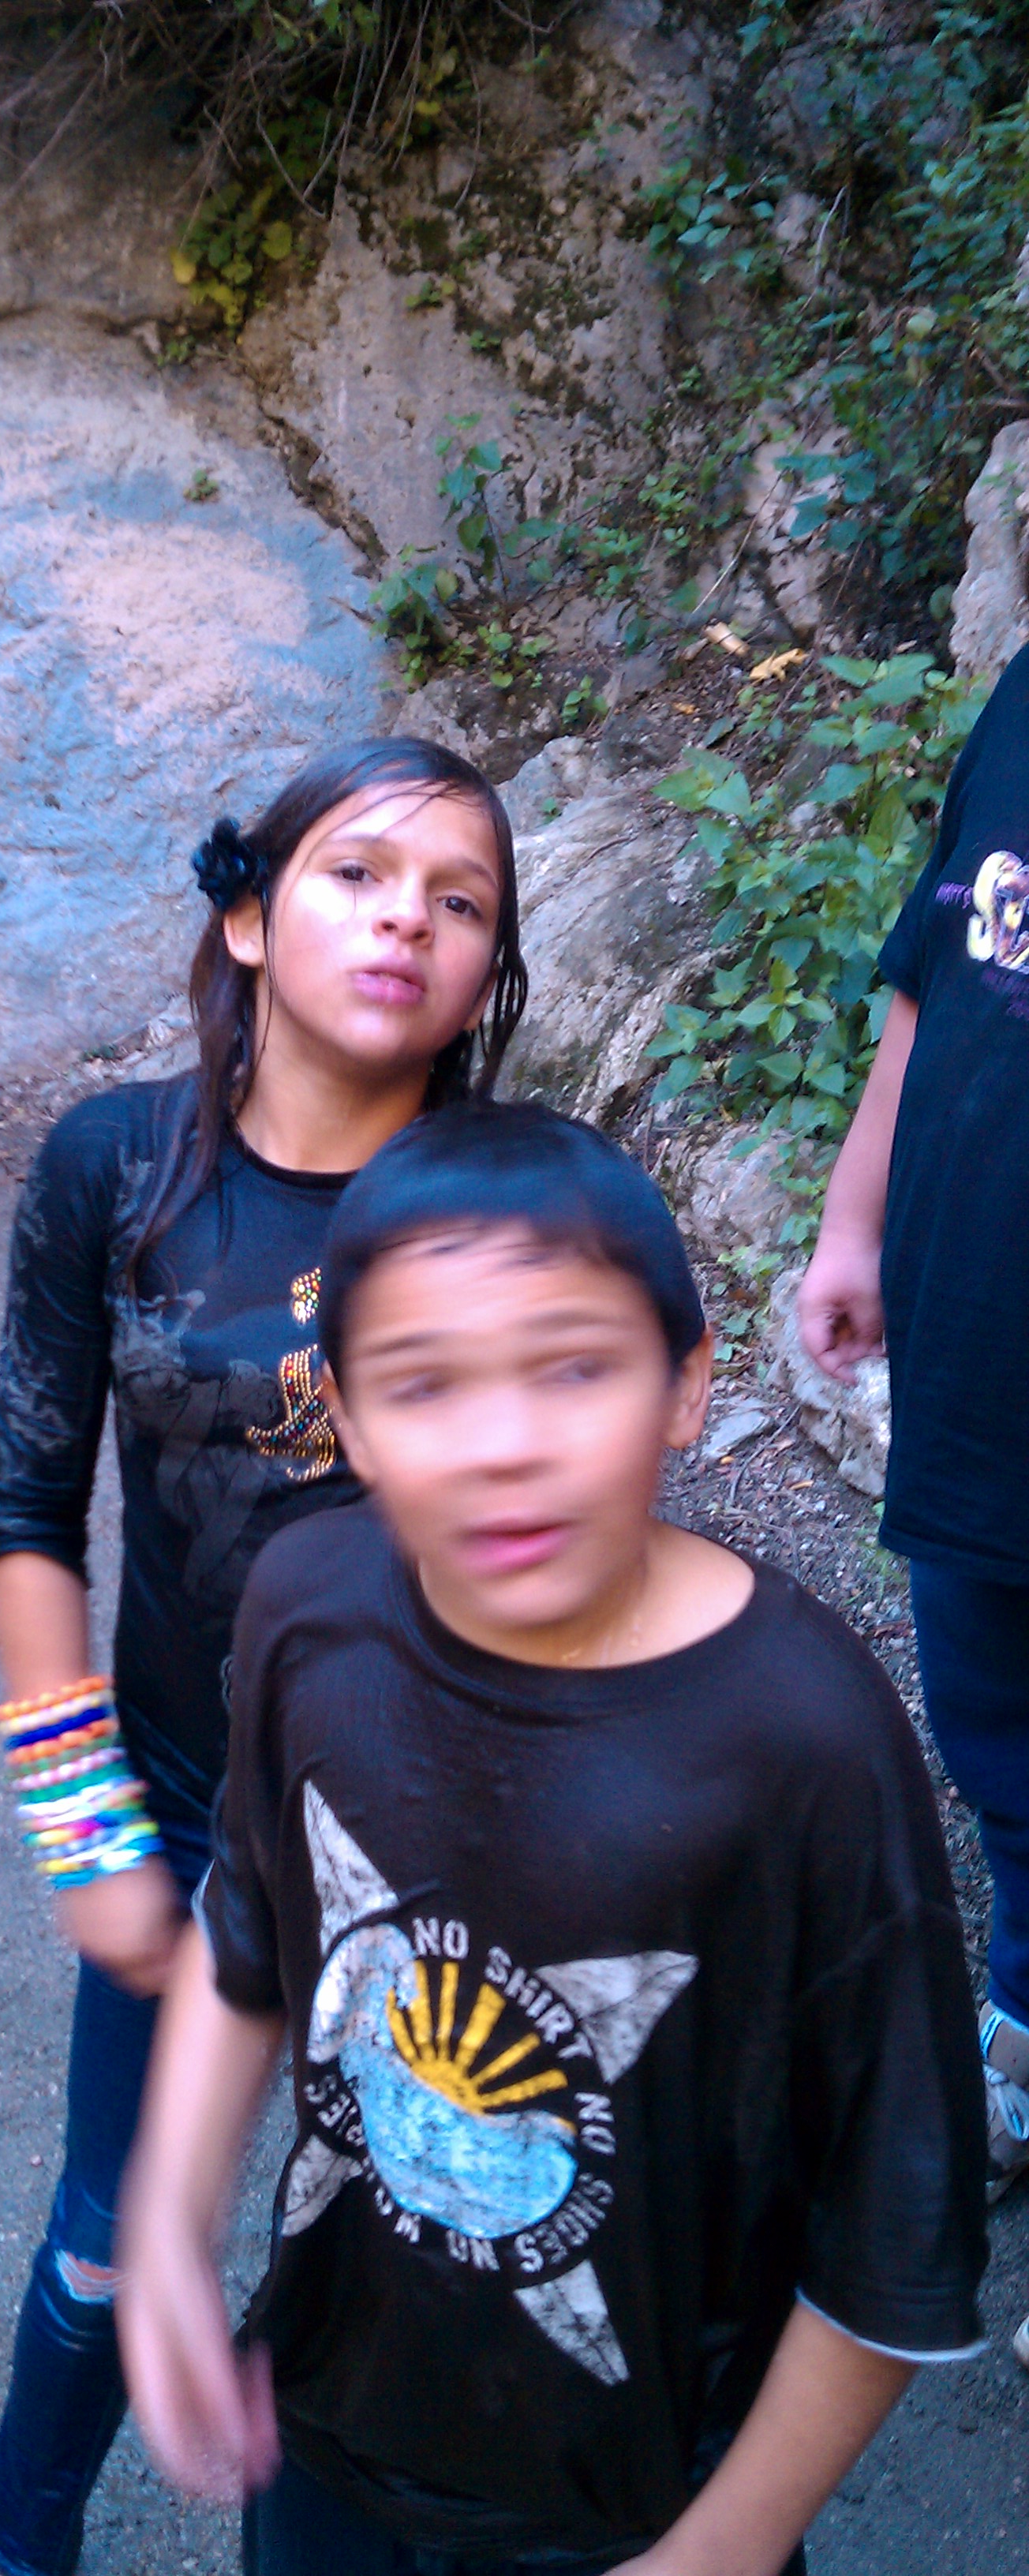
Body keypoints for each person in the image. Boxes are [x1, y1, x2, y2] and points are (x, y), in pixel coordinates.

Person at [118, 1101, 986, 2576]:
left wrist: (724, 2549)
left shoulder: (807, 1741)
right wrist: (163, 2224)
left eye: (575, 1367)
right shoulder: (306, 1611)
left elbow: (895, 2229)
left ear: (687, 1384)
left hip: (641, 2509)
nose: (505, 1448)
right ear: (346, 1417)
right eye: (423, 1385)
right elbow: (248, 1939)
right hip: (328, 2428)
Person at [0, 737, 528, 2575]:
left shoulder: (511, 1206)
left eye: (459, 901)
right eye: (358, 874)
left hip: (435, 1823)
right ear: (247, 917)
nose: (407, 920)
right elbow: (28, 1515)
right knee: (104, 2243)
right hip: (176, 1792)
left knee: (413, 2256)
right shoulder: (114, 1167)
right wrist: (84, 1834)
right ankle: (24, 2544)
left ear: (488, 971)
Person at [797, 645, 1029, 2264]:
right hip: (981, 1350)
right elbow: (926, 978)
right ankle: (1021, 2020)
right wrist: (851, 1218)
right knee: (996, 1734)